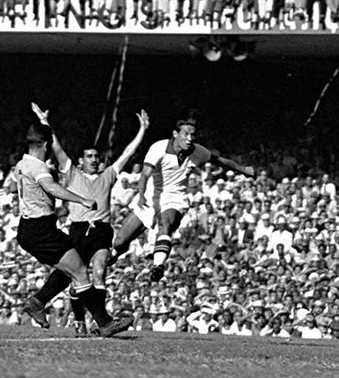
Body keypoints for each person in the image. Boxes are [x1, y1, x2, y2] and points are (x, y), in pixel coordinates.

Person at [26, 103, 149, 337]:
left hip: (102, 230)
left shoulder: (108, 175)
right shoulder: (72, 173)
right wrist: (44, 122)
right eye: (89, 156)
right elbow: (56, 146)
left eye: (96, 156)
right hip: (79, 229)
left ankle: (99, 321)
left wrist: (142, 130)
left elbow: (128, 154)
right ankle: (80, 321)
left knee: (100, 270)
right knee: (73, 274)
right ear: (81, 160)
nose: (94, 159)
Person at [109, 112, 255, 281]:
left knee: (166, 224)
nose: (190, 139)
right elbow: (144, 175)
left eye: (193, 135)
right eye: (186, 134)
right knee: (120, 241)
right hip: (150, 196)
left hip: (175, 198)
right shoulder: (159, 148)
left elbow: (220, 160)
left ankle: (158, 266)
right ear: (175, 134)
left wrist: (243, 170)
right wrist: (141, 196)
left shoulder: (197, 151)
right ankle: (114, 253)